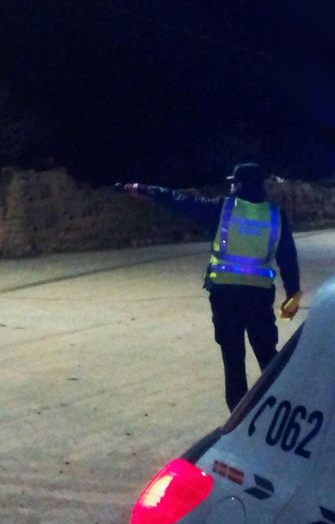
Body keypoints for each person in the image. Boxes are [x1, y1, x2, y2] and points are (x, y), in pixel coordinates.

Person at [121, 163, 302, 411]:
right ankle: (280, 407)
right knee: (267, 355)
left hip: (225, 296)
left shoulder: (223, 209)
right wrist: (293, 292)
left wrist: (146, 190)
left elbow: (180, 201)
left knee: (233, 359)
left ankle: (238, 416)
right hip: (259, 297)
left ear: (237, 184)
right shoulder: (274, 214)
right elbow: (287, 255)